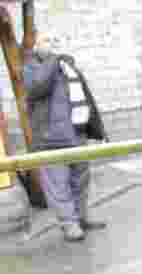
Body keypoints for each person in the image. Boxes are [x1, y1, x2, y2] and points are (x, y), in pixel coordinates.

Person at [23, 33, 107, 242]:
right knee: (58, 184)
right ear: (36, 47)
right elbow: (37, 87)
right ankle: (69, 223)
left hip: (76, 134)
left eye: (55, 41)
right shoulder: (31, 67)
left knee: (81, 180)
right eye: (46, 41)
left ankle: (81, 217)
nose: (53, 44)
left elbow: (85, 97)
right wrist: (53, 60)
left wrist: (96, 128)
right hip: (50, 139)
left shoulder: (67, 67)